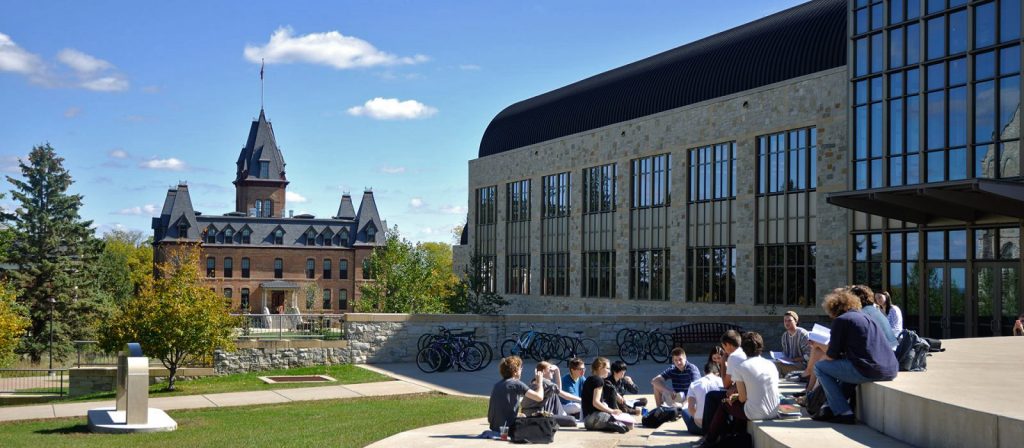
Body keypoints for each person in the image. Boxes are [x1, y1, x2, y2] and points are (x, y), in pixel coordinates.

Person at [813, 288, 898, 424]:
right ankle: (828, 407)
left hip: (870, 370)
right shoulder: (866, 318)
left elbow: (832, 356)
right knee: (847, 366)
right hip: (890, 369)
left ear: (833, 307)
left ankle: (844, 412)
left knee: (819, 367)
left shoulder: (841, 320)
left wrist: (818, 347)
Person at [698, 332, 779, 447]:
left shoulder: (742, 367)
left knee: (725, 404)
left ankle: (709, 440)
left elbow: (742, 398)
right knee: (737, 405)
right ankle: (732, 434)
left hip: (756, 413)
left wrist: (733, 397)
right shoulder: (771, 364)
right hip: (774, 411)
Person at [487, 356, 544, 432]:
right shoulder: (516, 384)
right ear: (515, 371)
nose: (521, 370)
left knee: (523, 416)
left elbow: (503, 406)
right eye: (520, 368)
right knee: (540, 426)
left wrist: (517, 415)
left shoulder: (497, 385)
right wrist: (540, 382)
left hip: (494, 427)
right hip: (508, 428)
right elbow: (539, 397)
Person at [521, 361, 579, 427]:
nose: (553, 372)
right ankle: (563, 415)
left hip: (529, 414)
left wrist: (557, 371)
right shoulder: (546, 383)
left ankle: (563, 415)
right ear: (544, 371)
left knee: (554, 393)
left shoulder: (533, 382)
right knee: (572, 420)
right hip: (538, 416)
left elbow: (558, 390)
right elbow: (564, 395)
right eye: (551, 370)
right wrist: (581, 400)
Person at [581, 357, 630, 433]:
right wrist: (612, 411)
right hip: (595, 417)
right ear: (600, 367)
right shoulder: (599, 380)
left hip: (587, 421)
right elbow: (595, 402)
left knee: (626, 425)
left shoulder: (589, 379)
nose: (609, 371)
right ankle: (611, 423)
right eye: (607, 368)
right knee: (628, 424)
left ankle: (608, 424)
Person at [849, 285, 898, 350]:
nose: (878, 300)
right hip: (887, 347)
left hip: (887, 347)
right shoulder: (876, 310)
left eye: (880, 297)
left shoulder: (892, 309)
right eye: (876, 298)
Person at [683, 362, 723, 435]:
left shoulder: (694, 384)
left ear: (704, 372)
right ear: (717, 373)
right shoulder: (722, 382)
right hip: (719, 426)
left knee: (684, 410)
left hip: (700, 427)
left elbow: (691, 408)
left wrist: (697, 417)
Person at [778, 311, 810, 375]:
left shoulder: (802, 334)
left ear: (796, 322)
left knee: (776, 366)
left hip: (803, 365)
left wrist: (793, 360)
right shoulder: (784, 336)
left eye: (789, 320)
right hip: (789, 363)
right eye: (785, 321)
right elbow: (785, 353)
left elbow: (809, 355)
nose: (787, 323)